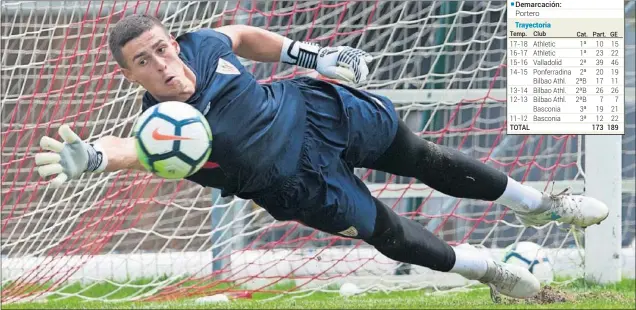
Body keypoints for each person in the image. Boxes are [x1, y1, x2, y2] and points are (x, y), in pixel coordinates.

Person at [34, 14, 609, 299]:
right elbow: (129, 150)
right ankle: (492, 272)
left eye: (161, 48)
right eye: (143, 61)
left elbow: (241, 36)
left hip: (318, 111)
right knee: (394, 237)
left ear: (174, 42)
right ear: (129, 73)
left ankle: (540, 204)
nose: (162, 64)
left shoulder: (201, 47)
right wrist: (92, 157)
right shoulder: (160, 127)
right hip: (293, 185)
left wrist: (312, 53)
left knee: (427, 159)